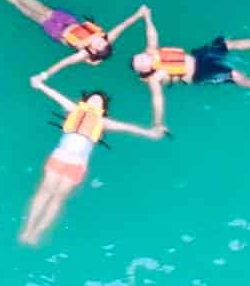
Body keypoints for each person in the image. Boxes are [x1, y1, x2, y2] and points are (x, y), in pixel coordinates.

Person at [19, 77, 164, 246]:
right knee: (45, 190)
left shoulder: (103, 122)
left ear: (103, 108)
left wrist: (151, 132)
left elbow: (128, 127)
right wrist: (40, 85)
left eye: (99, 101)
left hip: (77, 164)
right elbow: (55, 95)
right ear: (85, 101)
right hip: (60, 157)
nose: (95, 101)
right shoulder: (73, 109)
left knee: (58, 196)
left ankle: (38, 232)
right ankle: (27, 228)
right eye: (93, 98)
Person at [130, 8, 250, 127]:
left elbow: (152, 36)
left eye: (142, 56)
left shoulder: (151, 53)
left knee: (228, 44)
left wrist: (146, 16)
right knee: (234, 75)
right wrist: (158, 123)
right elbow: (158, 99)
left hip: (198, 56)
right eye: (142, 62)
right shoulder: (155, 78)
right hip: (200, 73)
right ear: (144, 70)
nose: (145, 57)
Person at [2, 0, 147, 68]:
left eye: (98, 45)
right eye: (103, 42)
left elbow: (66, 62)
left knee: (36, 17)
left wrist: (46, 73)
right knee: (43, 9)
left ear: (94, 50)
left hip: (58, 32)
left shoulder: (84, 53)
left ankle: (16, 3)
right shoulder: (106, 38)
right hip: (68, 21)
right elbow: (122, 26)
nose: (99, 41)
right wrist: (138, 14)